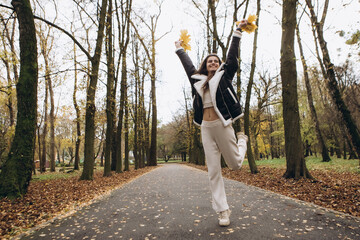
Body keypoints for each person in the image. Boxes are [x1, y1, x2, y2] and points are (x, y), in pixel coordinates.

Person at [175, 20, 249, 227]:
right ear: (205, 65)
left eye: (216, 61)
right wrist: (179, 48)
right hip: (206, 129)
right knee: (213, 172)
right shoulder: (197, 80)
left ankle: (242, 142)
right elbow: (188, 66)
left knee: (235, 165)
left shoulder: (225, 76)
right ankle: (223, 211)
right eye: (210, 61)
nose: (214, 63)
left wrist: (237, 32)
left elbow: (232, 59)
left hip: (223, 126)